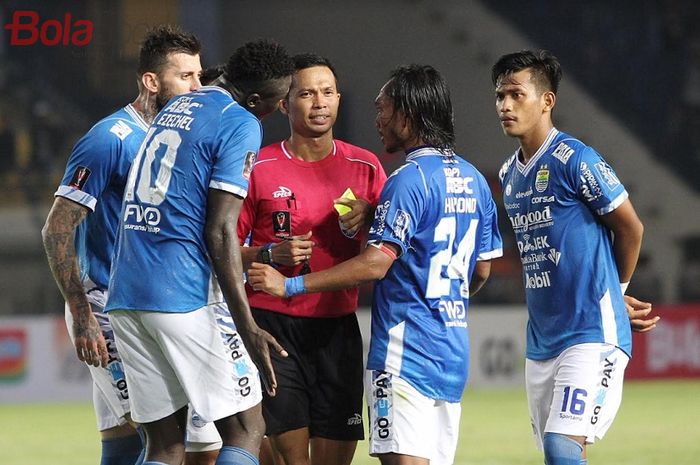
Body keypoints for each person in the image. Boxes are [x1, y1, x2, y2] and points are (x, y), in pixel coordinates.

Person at [248, 64, 503, 465]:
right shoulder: (472, 178)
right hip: (446, 348)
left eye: (382, 110)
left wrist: (292, 284)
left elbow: (375, 263)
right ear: (285, 103)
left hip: (397, 349)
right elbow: (482, 270)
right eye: (307, 93)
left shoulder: (394, 175)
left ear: (406, 113)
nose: (377, 120)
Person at [104, 39, 294, 465]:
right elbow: (221, 230)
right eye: (277, 102)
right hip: (182, 292)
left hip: (127, 293)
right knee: (247, 429)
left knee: (165, 445)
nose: (277, 111)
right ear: (257, 99)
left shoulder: (177, 106)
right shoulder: (240, 121)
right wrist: (248, 326)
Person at [41, 25, 204, 465]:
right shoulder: (108, 139)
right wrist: (82, 313)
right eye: (186, 76)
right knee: (169, 440)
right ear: (152, 81)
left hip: (153, 306)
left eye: (199, 76)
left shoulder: (179, 138)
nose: (198, 87)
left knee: (122, 441)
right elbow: (56, 228)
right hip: (110, 312)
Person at [491, 49, 655, 465]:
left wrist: (616, 292)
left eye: (515, 94)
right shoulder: (509, 175)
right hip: (542, 340)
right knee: (558, 455)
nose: (505, 106)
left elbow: (631, 228)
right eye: (499, 96)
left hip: (591, 333)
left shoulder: (576, 159)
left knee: (562, 449)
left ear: (546, 101)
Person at [236, 53, 386, 465]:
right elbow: (221, 250)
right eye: (306, 93)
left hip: (337, 330)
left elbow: (391, 245)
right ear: (285, 104)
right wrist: (269, 252)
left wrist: (372, 216)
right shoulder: (258, 167)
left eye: (327, 92)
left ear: (339, 99)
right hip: (273, 327)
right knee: (289, 460)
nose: (319, 102)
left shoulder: (366, 168)